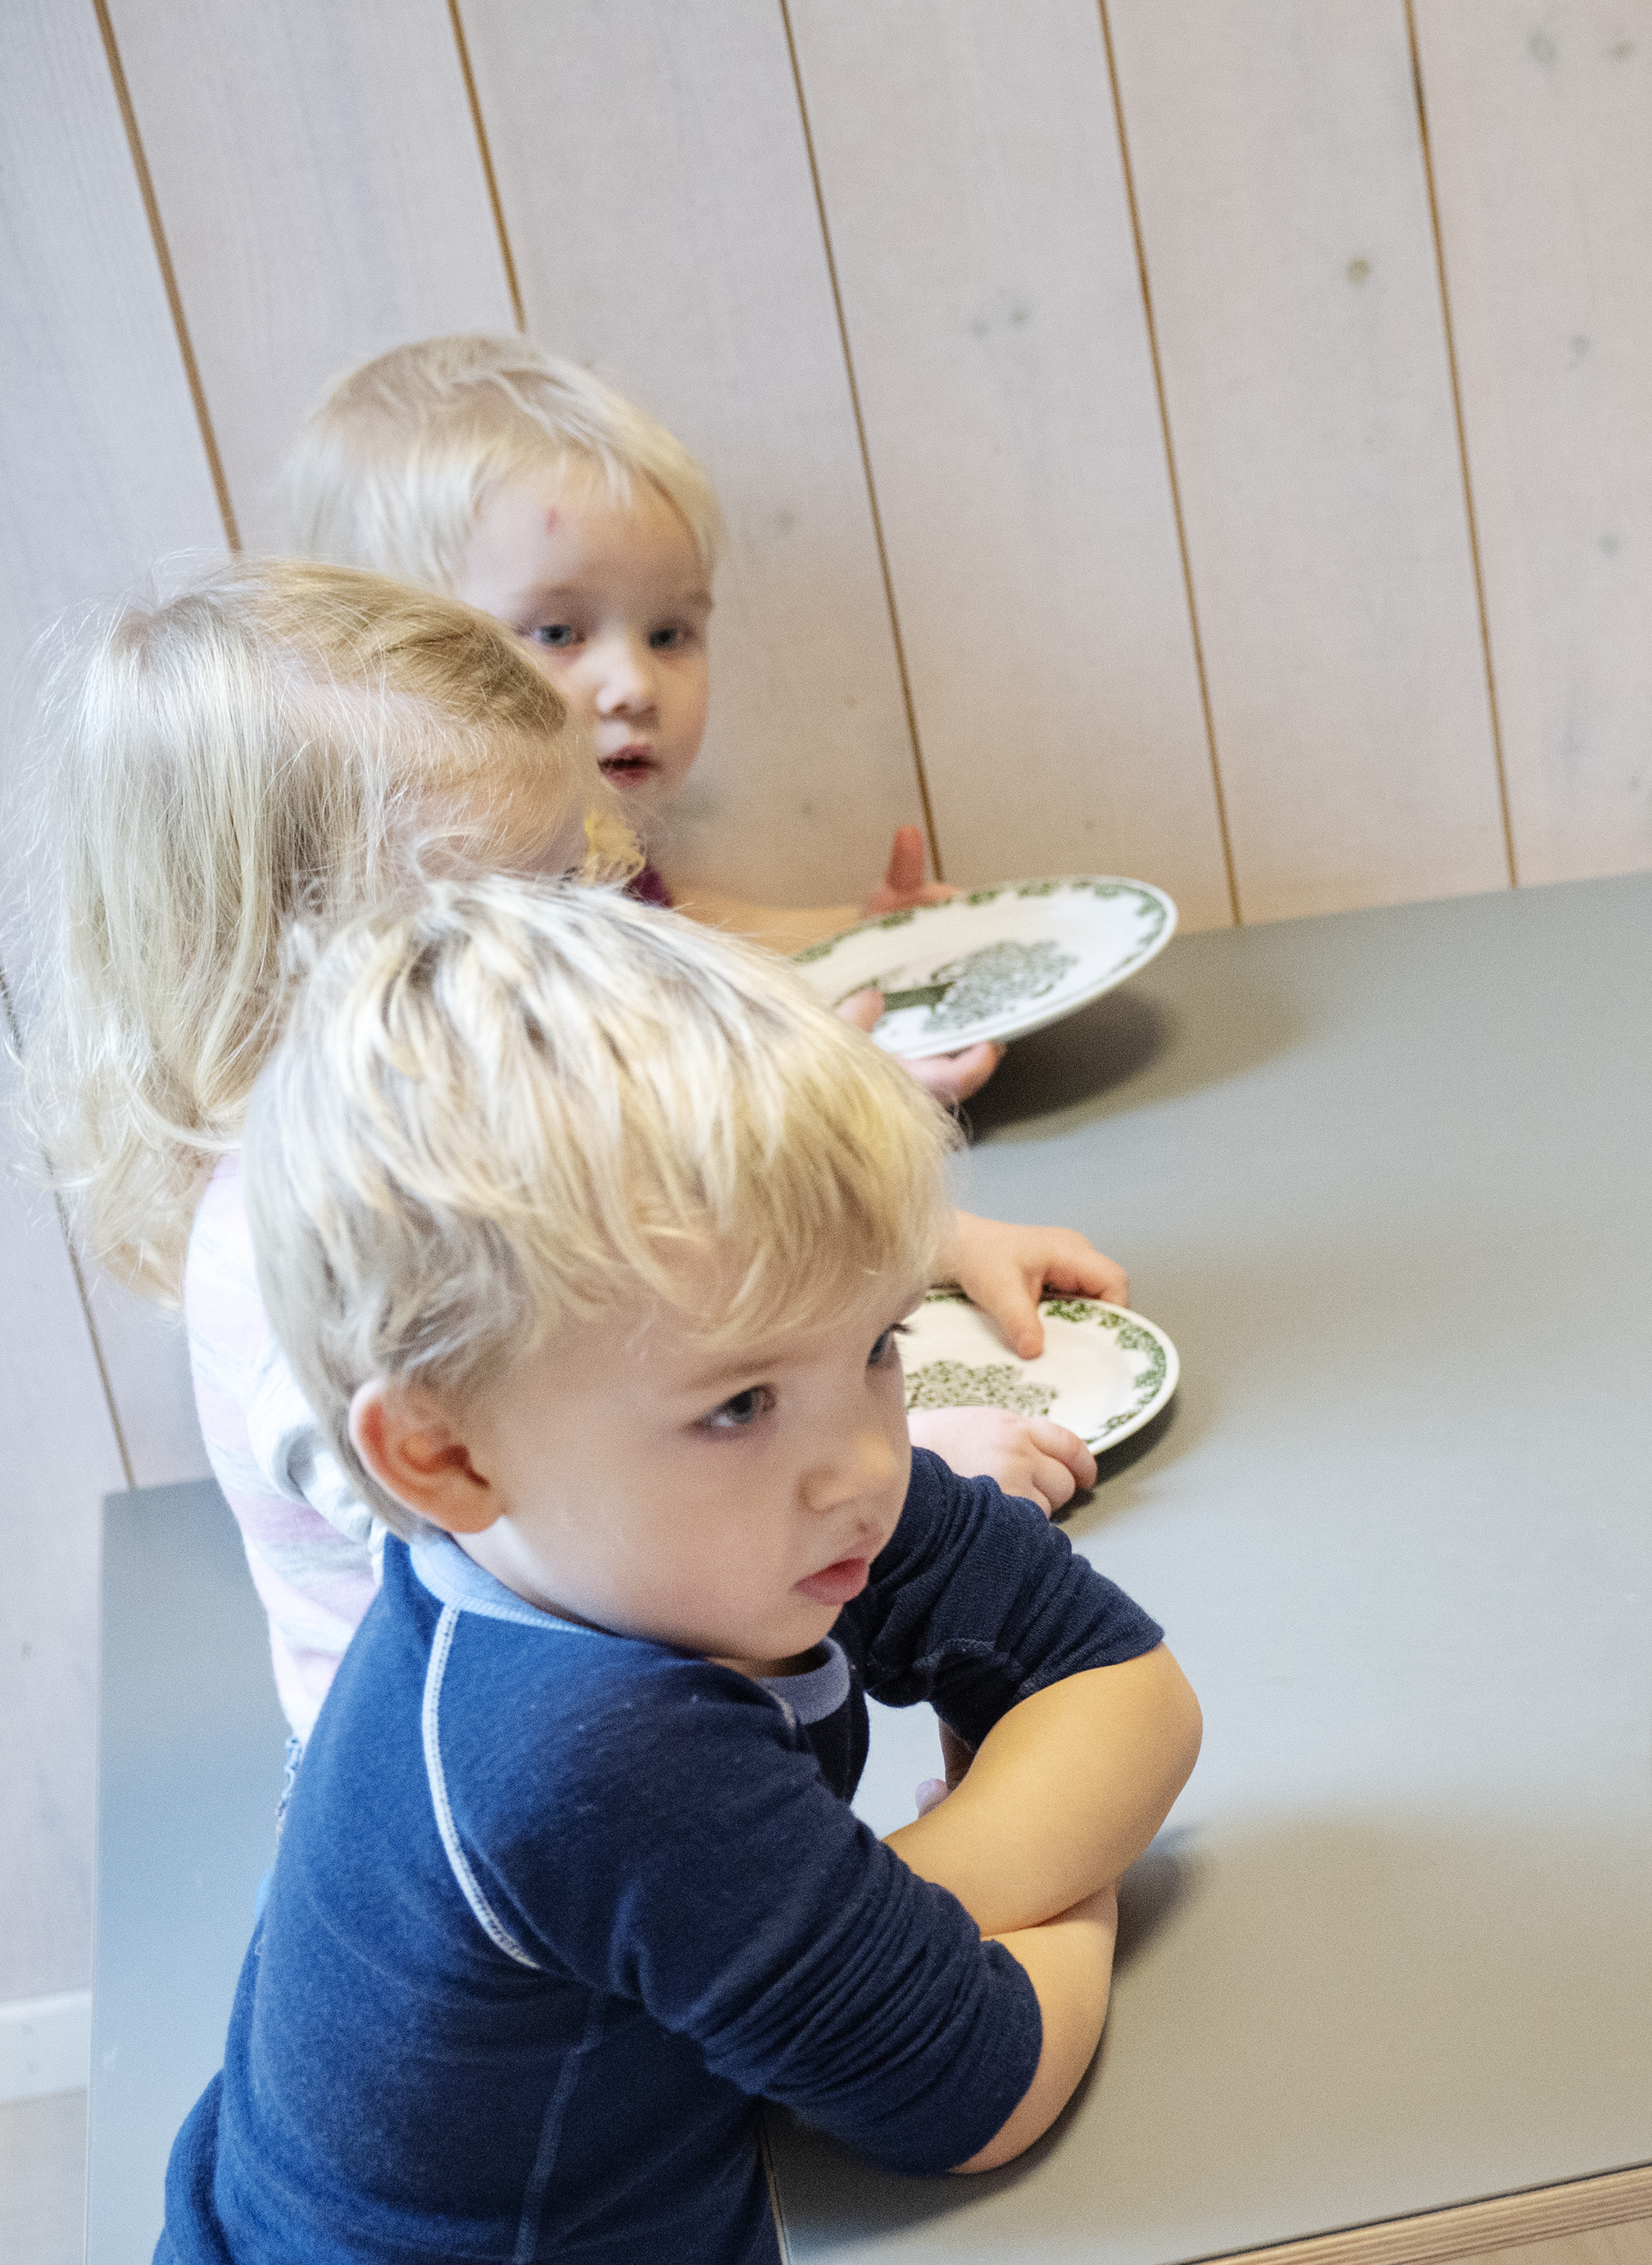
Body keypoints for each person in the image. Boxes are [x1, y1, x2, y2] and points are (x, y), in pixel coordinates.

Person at [134, 879, 1204, 2265]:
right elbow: (982, 2081)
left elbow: (1132, 1693)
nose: (864, 1465)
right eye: (741, 1404)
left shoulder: (681, 1515)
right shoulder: (585, 1741)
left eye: (879, 1349)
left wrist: (942, 1906)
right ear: (441, 1458)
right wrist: (1038, 1876)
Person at [20, 563, 1127, 1733]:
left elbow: (687, 1236)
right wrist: (905, 1490)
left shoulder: (485, 1098)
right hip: (519, 1813)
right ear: (273, 959)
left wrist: (928, 1240)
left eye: (567, 880)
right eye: (500, 915)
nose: (576, 945)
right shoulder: (287, 1250)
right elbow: (545, 1552)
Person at [285, 328, 1002, 1100]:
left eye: (669, 634)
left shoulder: (584, 859)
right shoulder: (426, 921)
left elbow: (664, 937)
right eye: (557, 632)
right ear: (392, 661)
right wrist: (827, 1093)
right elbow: (573, 1111)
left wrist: (859, 938)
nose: (635, 684)